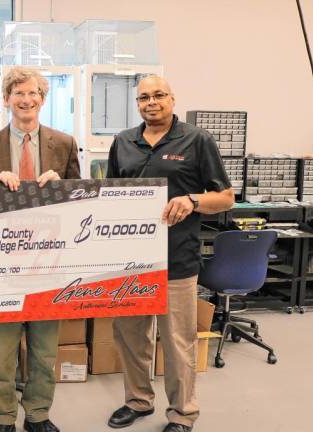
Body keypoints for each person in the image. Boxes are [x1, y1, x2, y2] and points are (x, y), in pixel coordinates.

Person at [105, 76, 234, 432]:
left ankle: (182, 413)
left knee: (178, 342)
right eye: (144, 97)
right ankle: (138, 401)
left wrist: (192, 200)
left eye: (159, 95)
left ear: (172, 99)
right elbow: (109, 199)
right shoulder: (123, 142)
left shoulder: (197, 140)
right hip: (130, 262)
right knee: (131, 337)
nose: (151, 102)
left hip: (177, 259)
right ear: (137, 103)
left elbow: (225, 197)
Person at [0, 66, 80, 432]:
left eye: (33, 94)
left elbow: (82, 202)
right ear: (7, 99)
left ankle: (38, 414)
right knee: (1, 355)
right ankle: (3, 417)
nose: (26, 100)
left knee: (44, 352)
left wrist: (62, 185)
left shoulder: (63, 144)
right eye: (18, 94)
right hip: (3, 266)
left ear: (42, 99)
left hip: (50, 262)